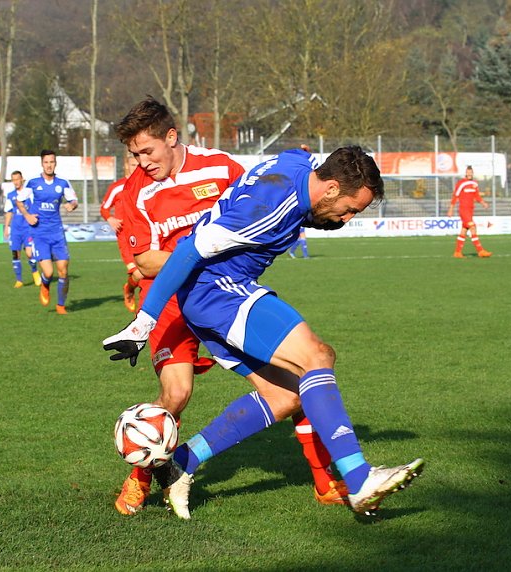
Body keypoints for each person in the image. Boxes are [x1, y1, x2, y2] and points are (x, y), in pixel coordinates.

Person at [104, 146, 424, 519]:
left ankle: (183, 463)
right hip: (216, 290)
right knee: (316, 356)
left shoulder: (299, 166)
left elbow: (296, 153)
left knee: (285, 395)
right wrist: (143, 323)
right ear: (333, 188)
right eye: (351, 208)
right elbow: (188, 253)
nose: (348, 218)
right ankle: (359, 479)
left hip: (213, 294)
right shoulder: (271, 207)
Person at [110, 97, 348, 517]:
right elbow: (146, 260)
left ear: (171, 136)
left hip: (223, 296)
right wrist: (201, 257)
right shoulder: (134, 192)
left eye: (146, 151)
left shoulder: (220, 166)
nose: (141, 162)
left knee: (295, 380)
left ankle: (324, 480)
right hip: (168, 304)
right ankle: (142, 476)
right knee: (177, 393)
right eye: (134, 154)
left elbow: (266, 202)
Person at [15, 150, 78, 315]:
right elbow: (19, 200)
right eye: (46, 162)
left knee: (63, 270)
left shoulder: (63, 183)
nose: (49, 165)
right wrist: (27, 215)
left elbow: (73, 200)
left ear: (55, 163)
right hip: (40, 234)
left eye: (52, 162)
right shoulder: (33, 183)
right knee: (49, 272)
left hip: (57, 233)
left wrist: (72, 205)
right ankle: (44, 285)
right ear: (42, 164)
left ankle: (61, 305)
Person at [99, 152, 141, 312]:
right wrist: (110, 219)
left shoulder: (147, 184)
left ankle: (133, 292)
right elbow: (104, 208)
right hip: (125, 237)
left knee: (146, 273)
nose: (136, 168)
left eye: (138, 165)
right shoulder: (117, 187)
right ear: (126, 166)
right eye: (132, 165)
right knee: (137, 272)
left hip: (144, 235)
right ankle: (129, 290)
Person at [3, 170, 41, 288]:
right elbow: (9, 212)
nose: (16, 182)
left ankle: (35, 272)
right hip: (15, 229)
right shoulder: (10, 195)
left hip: (28, 228)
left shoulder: (30, 194)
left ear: (22, 179)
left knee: (30, 253)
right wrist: (6, 227)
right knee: (15, 254)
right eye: (13, 180)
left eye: (17, 179)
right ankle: (19, 280)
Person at [447, 165, 491, 258]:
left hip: (470, 210)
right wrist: (451, 209)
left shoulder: (475, 184)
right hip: (463, 210)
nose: (469, 174)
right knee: (473, 227)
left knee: (464, 230)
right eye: (468, 172)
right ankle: (480, 251)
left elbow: (477, 196)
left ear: (472, 173)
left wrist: (483, 203)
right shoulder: (461, 183)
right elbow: (455, 196)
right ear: (466, 173)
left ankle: (457, 252)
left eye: (471, 172)